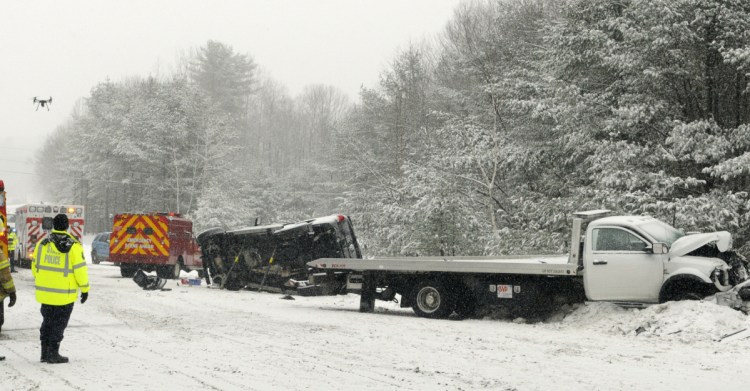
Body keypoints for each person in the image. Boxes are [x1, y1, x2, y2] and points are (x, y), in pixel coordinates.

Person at [32, 213, 89, 364]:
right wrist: (84, 289)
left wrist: (43, 280)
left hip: (45, 294)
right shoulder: (74, 245)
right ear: (67, 226)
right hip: (65, 294)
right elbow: (80, 269)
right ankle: (53, 353)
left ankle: (44, 353)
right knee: (59, 324)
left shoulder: (42, 243)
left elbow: (35, 266)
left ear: (53, 225)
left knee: (47, 322)